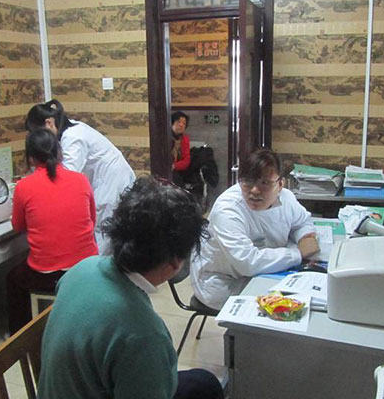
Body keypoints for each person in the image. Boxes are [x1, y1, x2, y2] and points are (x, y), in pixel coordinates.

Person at [38, 177, 224, 399]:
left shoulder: (82, 269)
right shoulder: (144, 335)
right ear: (175, 263)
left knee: (204, 383)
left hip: (76, 385)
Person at [191, 148, 320, 310]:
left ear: (280, 184)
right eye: (247, 181)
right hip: (224, 281)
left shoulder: (286, 197)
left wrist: (306, 236)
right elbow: (247, 262)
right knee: (290, 306)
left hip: (262, 272)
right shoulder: (228, 210)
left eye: (264, 183)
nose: (254, 190)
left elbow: (302, 221)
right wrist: (298, 253)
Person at [7, 128, 98, 334]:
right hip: (85, 267)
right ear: (59, 151)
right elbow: (92, 220)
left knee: (13, 279)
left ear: (31, 158)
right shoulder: (80, 179)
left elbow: (18, 226)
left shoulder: (23, 186)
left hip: (45, 274)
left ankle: (19, 336)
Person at [25, 99, 136, 255]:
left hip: (111, 181)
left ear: (49, 123)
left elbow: (67, 175)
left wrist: (37, 183)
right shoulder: (72, 128)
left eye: (39, 132)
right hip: (108, 179)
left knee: (103, 231)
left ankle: (103, 266)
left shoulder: (73, 137)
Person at [171, 111, 191, 187]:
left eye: (184, 123)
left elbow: (186, 160)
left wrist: (174, 166)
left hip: (177, 170)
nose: (181, 125)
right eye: (178, 122)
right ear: (172, 123)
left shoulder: (185, 139)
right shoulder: (165, 136)